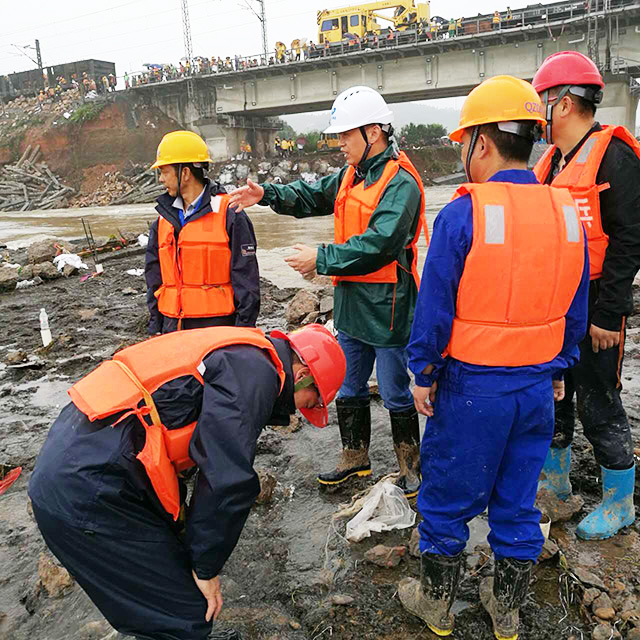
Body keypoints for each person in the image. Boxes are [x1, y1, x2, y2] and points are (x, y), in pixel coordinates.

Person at [399, 75, 589, 640]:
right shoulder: (565, 211)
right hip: (535, 390)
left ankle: (436, 605)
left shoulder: (464, 213)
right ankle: (506, 612)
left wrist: (423, 372)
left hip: (472, 390)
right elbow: (574, 305)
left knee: (445, 497)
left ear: (480, 142)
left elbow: (434, 308)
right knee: (518, 500)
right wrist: (559, 366)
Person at [29, 324, 346, 640]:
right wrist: (206, 568)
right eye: (311, 402)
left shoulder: (244, 352)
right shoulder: (256, 375)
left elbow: (180, 430)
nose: (300, 412)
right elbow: (227, 478)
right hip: (85, 488)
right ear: (303, 373)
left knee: (172, 592)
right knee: (183, 615)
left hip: (77, 454)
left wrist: (188, 541)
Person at [228, 86, 428, 498]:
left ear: (373, 133)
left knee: (394, 389)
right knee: (350, 385)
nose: (340, 143)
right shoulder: (350, 175)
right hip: (352, 303)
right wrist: (267, 195)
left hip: (389, 306)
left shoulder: (401, 183)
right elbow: (311, 194)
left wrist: (321, 258)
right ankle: (355, 457)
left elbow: (380, 244)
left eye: (346, 135)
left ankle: (410, 467)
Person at [532, 51, 640, 540]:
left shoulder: (615, 155)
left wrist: (609, 313)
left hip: (596, 301)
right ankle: (556, 485)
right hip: (555, 303)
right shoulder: (551, 162)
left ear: (563, 102)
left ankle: (619, 503)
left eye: (541, 100)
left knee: (599, 400)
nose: (537, 110)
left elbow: (630, 239)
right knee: (554, 394)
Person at [145, 130, 260, 335]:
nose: (161, 179)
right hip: (173, 327)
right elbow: (154, 278)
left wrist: (244, 332)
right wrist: (156, 326)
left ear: (185, 173)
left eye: (164, 172)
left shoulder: (230, 214)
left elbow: (246, 279)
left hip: (217, 329)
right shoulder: (162, 220)